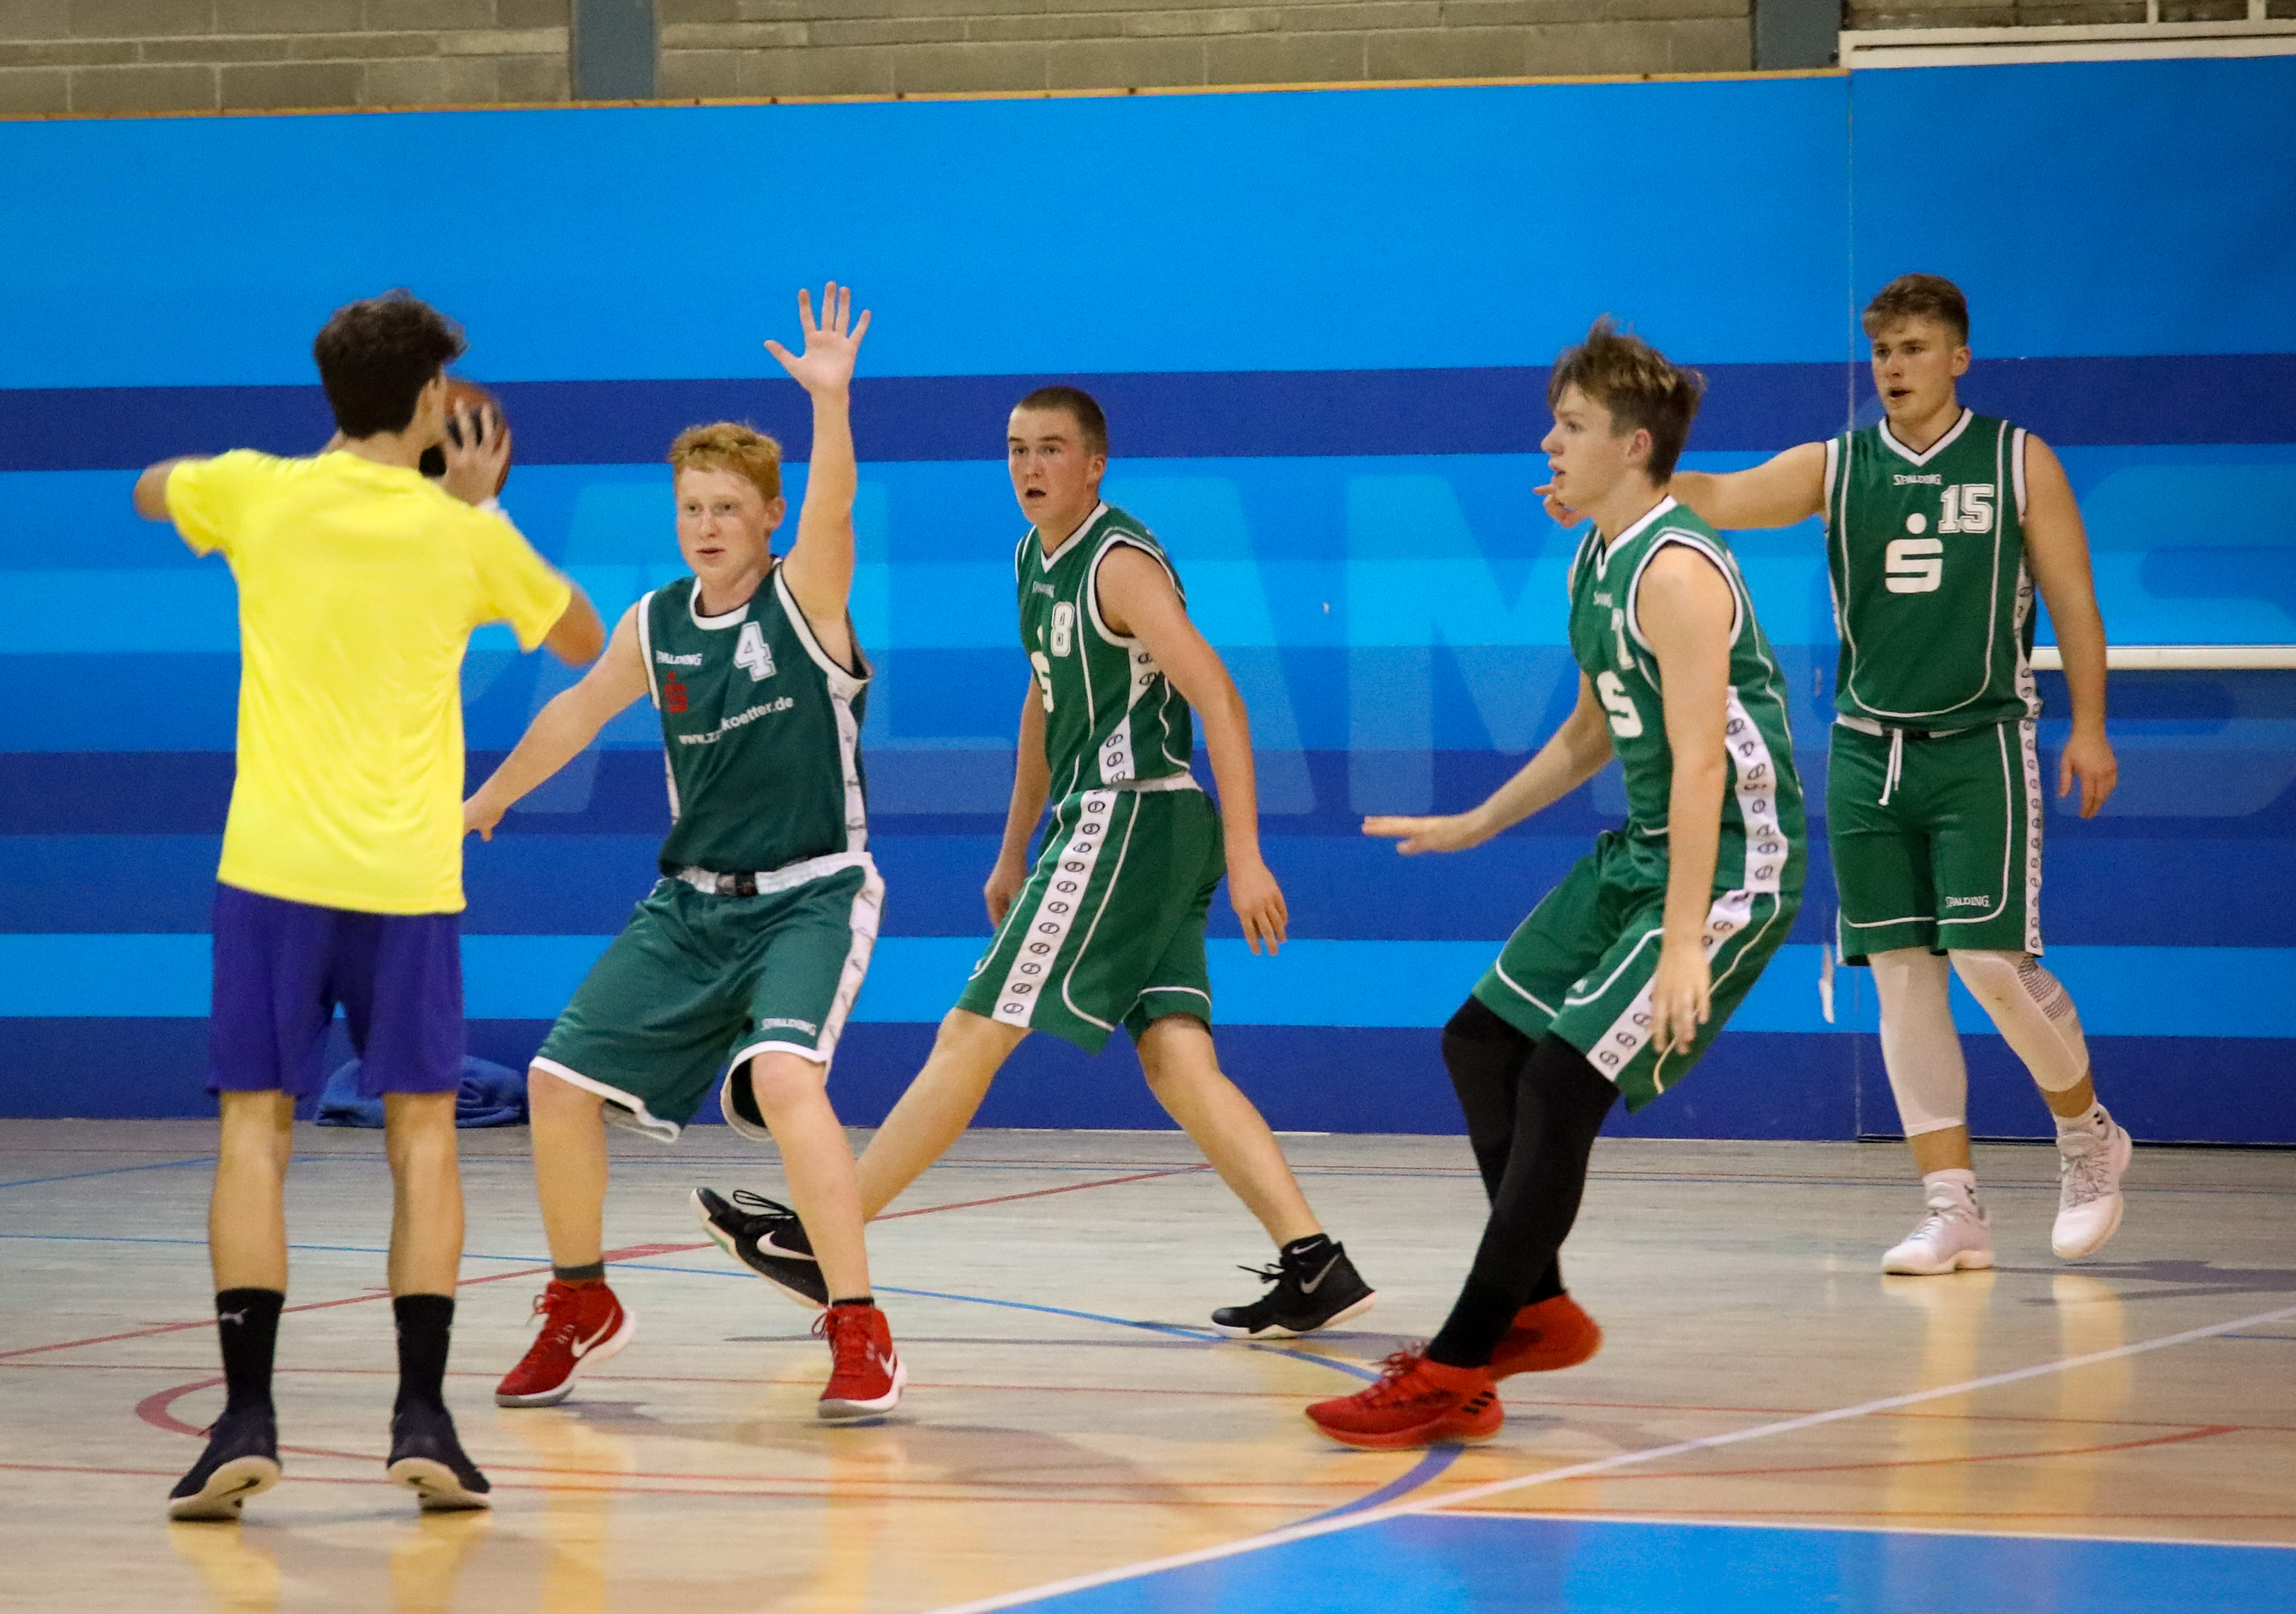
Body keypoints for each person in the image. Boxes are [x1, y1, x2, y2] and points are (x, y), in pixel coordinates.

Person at [694, 384, 1376, 1339]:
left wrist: (1248, 851)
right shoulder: (1032, 556)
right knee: (1176, 1058)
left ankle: (819, 1236)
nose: (1028, 466)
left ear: (1094, 464)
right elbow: (1045, 698)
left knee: (972, 1031)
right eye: (1016, 448)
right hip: (1120, 827)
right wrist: (1013, 844)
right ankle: (1314, 1261)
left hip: (1130, 813)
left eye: (1050, 448)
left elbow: (1219, 696)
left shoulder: (1118, 562)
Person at [135, 291, 604, 1520]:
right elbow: (579, 635)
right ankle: (423, 1420)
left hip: (271, 873)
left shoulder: (257, 492)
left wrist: (226, 485)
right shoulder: (461, 535)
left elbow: (148, 489)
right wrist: (483, 507)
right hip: (405, 882)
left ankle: (245, 1418)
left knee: (255, 1131)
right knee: (423, 1137)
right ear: (432, 401)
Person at [1307, 320, 1805, 1449]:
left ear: (1634, 446)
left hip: (1732, 863)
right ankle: (1534, 1309)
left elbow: (1701, 764)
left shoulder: (1676, 573)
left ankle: (1457, 1362)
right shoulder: (1595, 556)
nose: (1548, 443)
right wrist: (1476, 821)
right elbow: (1592, 731)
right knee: (1479, 1042)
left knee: (1560, 1082)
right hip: (1646, 844)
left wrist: (1684, 938)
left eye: (1570, 426)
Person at [467, 286, 908, 1422]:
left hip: (811, 892)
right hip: (692, 904)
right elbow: (574, 712)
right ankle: (579, 1300)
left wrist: (830, 402)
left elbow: (837, 506)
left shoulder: (806, 599)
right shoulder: (656, 622)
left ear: (769, 517)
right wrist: (488, 799)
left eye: (728, 508)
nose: (706, 525)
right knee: (555, 1084)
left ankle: (858, 1323)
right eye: (691, 507)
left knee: (785, 1077)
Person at [1667, 274, 2128, 1277]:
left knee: (1988, 963)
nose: (1893, 367)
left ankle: (2086, 1133)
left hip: (1980, 743)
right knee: (1904, 982)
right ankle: (1950, 1208)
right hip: (1867, 751)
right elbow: (1719, 496)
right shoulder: (1838, 466)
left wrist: (2090, 726)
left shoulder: (2016, 459)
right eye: (1881, 351)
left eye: (1913, 348)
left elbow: (2074, 601)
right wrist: (1616, 487)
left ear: (1958, 357)